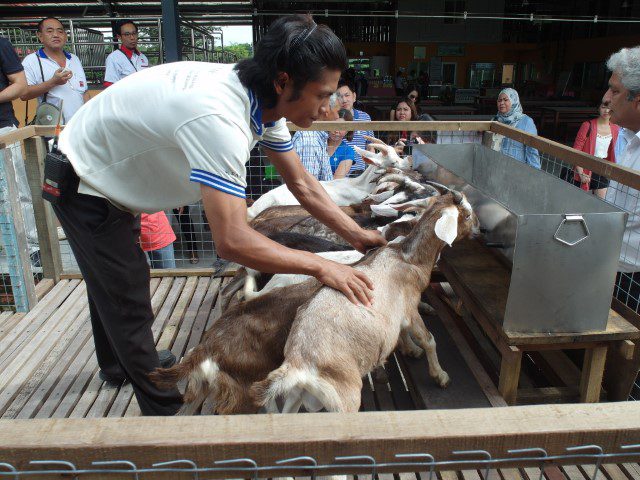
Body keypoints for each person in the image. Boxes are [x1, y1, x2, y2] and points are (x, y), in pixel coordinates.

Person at [51, 14, 386, 416]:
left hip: (115, 174)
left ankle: (116, 365)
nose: (327, 107)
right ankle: (164, 411)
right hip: (87, 182)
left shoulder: (265, 103)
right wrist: (323, 268)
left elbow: (303, 185)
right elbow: (232, 239)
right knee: (128, 297)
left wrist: (357, 236)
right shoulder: (219, 118)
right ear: (283, 81)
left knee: (112, 279)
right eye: (321, 95)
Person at [602, 46, 640, 312]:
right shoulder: (626, 139)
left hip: (635, 281)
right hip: (613, 269)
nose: (606, 99)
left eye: (615, 91)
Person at [0, 37, 40, 266]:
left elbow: (20, 84)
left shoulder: (1, 44)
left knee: (17, 191)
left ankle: (33, 249)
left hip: (3, 127)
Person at [20, 17, 90, 123]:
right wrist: (53, 82)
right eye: (49, 31)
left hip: (80, 126)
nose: (56, 35)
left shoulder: (74, 59)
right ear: (40, 36)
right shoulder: (31, 61)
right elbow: (24, 95)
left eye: (60, 31)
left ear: (65, 36)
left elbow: (84, 93)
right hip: (53, 128)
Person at [571, 103, 620, 199]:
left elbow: (615, 152)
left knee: (601, 205)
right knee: (580, 205)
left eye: (609, 108)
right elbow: (576, 150)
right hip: (584, 168)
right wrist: (581, 173)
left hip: (602, 170)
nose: (606, 111)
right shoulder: (587, 125)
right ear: (598, 108)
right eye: (603, 107)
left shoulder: (615, 128)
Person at [291, 93, 338, 181]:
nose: (337, 116)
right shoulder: (309, 140)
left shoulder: (317, 136)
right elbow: (307, 185)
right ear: (327, 111)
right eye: (337, 111)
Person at [493, 88, 541, 169]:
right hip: (496, 167)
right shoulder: (495, 120)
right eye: (499, 100)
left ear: (513, 100)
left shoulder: (526, 121)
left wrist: (534, 174)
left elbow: (532, 151)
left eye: (505, 100)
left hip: (516, 169)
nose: (501, 103)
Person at [336, 78, 373, 176]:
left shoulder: (365, 117)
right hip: (338, 175)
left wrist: (370, 170)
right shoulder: (333, 118)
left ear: (354, 96)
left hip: (359, 174)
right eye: (339, 96)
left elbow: (370, 146)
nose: (344, 100)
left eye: (347, 95)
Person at [103, 20, 148, 87]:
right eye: (127, 34)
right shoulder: (114, 58)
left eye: (134, 33)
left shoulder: (143, 57)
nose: (132, 37)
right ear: (119, 37)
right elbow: (109, 85)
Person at [327, 108, 357, 179]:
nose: (337, 131)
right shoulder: (318, 143)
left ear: (347, 131)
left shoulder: (348, 151)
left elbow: (336, 180)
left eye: (341, 127)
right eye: (334, 125)